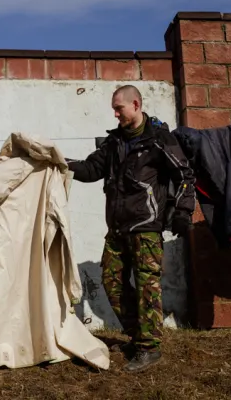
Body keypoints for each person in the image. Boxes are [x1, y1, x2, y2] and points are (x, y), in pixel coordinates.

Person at [66, 85, 195, 373]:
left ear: (135, 105)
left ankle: (150, 349)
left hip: (146, 228)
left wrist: (183, 211)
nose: (115, 113)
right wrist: (59, 163)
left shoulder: (159, 139)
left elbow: (184, 174)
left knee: (148, 287)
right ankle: (139, 338)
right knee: (112, 283)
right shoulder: (113, 143)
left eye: (119, 108)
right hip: (117, 229)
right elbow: (90, 170)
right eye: (114, 109)